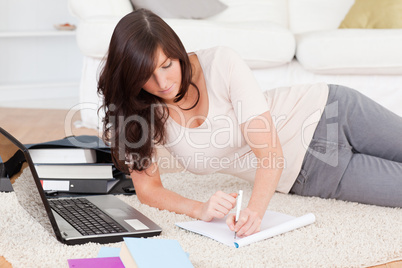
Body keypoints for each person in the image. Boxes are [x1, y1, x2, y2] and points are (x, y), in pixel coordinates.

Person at [98, 9, 402, 237]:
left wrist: (254, 211)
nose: (163, 82)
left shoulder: (221, 63)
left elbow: (269, 152)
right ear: (131, 78)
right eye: (147, 75)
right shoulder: (138, 112)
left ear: (177, 53)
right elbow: (148, 189)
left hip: (333, 109)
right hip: (314, 173)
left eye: (167, 65)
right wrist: (198, 208)